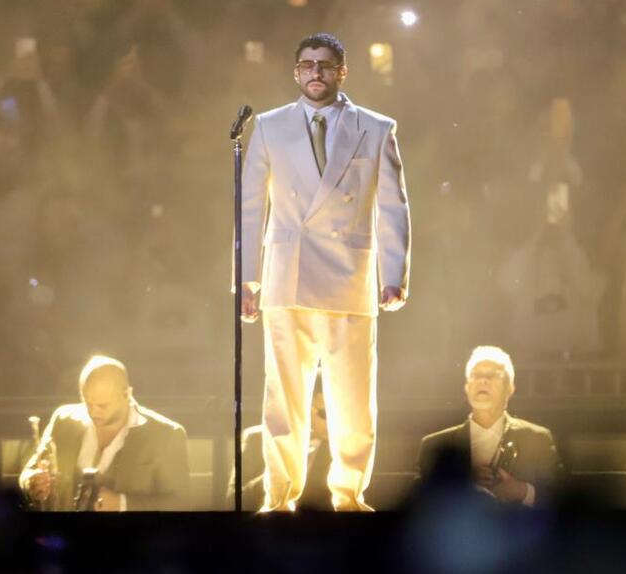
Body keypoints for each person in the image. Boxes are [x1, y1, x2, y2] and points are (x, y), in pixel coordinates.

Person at [240, 32, 411, 511]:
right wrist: (246, 278)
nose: (316, 71)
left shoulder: (376, 128)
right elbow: (250, 205)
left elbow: (393, 206)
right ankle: (279, 497)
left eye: (325, 64)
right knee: (283, 399)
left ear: (342, 71)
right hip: (286, 275)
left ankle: (349, 497)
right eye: (307, 64)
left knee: (353, 400)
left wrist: (392, 272)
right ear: (296, 72)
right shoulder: (270, 127)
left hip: (348, 275)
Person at [19, 355, 190, 511]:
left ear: (126, 394)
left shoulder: (166, 435)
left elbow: (182, 502)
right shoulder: (63, 420)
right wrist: (31, 482)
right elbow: (30, 471)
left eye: (102, 405)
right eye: (87, 403)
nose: (93, 412)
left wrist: (123, 504)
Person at [417, 346, 562, 506]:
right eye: (476, 375)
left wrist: (521, 491)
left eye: (493, 375)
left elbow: (560, 499)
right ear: (466, 387)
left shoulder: (538, 439)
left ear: (510, 388)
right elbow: (419, 506)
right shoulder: (433, 446)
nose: (483, 380)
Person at [228, 376, 331, 511]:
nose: (332, 423)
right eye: (325, 414)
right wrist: (277, 473)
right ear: (304, 407)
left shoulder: (349, 449)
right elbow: (232, 502)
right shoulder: (257, 439)